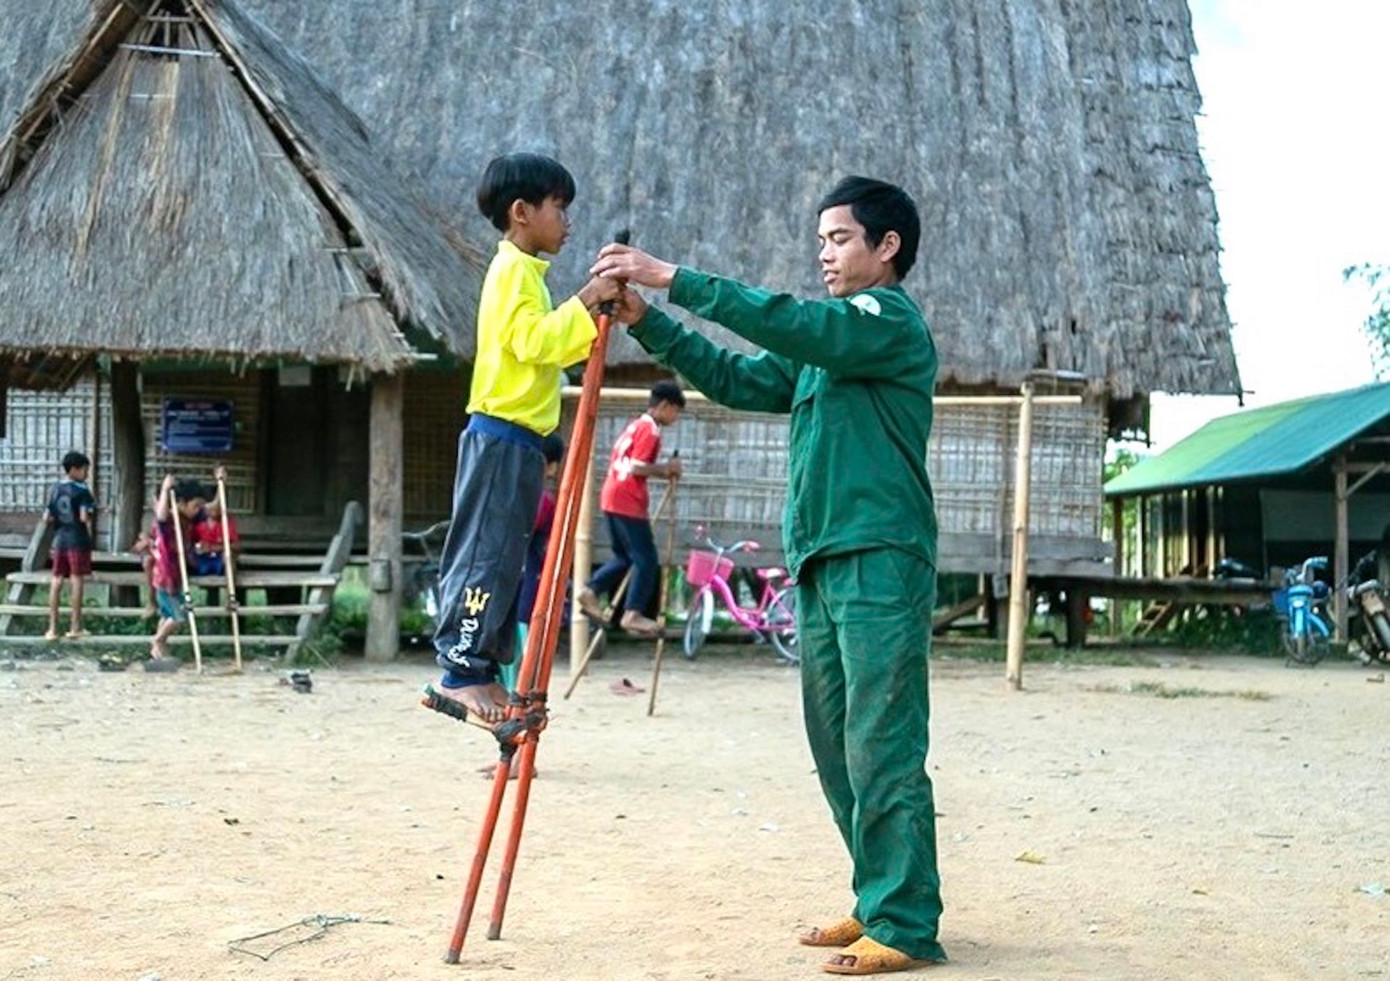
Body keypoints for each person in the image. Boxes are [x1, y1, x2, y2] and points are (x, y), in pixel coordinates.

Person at [592, 177, 946, 974]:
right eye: (821, 240)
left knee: (882, 741)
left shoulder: (885, 321)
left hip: (881, 557)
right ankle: (878, 897)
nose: (825, 253)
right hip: (820, 559)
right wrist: (650, 322)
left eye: (840, 238)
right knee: (837, 743)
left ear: (887, 246)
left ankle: (906, 921)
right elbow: (739, 377)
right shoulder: (825, 350)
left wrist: (672, 279)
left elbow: (792, 321)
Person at [430, 151, 621, 724]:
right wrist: (586, 299)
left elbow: (553, 345)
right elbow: (534, 341)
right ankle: (459, 670)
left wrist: (587, 308)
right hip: (499, 435)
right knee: (484, 554)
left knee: (505, 559)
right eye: (558, 208)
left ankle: (481, 666)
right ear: (522, 212)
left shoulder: (529, 275)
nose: (567, 222)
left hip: (521, 441)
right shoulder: (511, 271)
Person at [576, 381, 685, 635]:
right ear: (664, 406)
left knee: (624, 557)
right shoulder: (650, 430)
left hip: (612, 495)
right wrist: (666, 469)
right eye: (676, 411)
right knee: (646, 560)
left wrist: (662, 470)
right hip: (628, 500)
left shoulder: (635, 425)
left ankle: (590, 590)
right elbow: (636, 466)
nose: (675, 418)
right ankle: (632, 613)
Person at [506, 432, 567, 694]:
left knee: (509, 637)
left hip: (506, 578)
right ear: (551, 466)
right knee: (525, 639)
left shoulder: (509, 491)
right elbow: (548, 544)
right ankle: (518, 691)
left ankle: (511, 688)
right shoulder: (543, 501)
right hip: (529, 580)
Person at [148, 475, 207, 663]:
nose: (198, 510)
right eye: (195, 506)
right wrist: (166, 489)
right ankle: (157, 640)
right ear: (181, 503)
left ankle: (157, 653)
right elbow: (160, 516)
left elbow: (211, 509)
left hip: (177, 576)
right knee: (178, 617)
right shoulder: (169, 519)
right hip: (166, 577)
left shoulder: (189, 519)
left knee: (167, 615)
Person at [44, 450, 97, 641]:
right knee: (76, 580)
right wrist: (91, 516)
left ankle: (52, 629)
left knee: (56, 579)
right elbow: (84, 517)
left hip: (60, 540)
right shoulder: (82, 491)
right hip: (78, 539)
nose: (86, 474)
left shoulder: (56, 489)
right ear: (74, 469)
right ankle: (75, 627)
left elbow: (47, 517)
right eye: (84, 470)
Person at [191, 466, 239, 577]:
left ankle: (230, 585)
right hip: (202, 560)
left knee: (229, 559)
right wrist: (199, 548)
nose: (214, 511)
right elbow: (191, 544)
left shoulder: (227, 522)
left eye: (217, 508)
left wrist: (215, 548)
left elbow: (237, 546)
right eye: (210, 509)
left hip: (220, 559)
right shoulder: (198, 524)